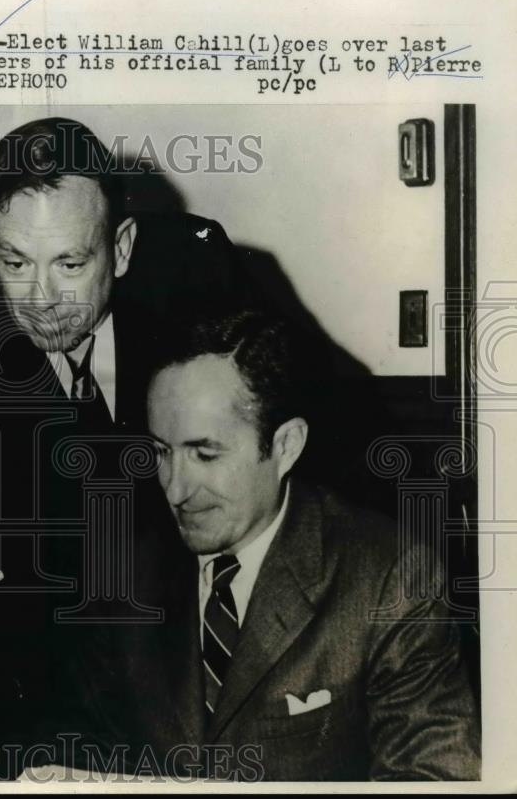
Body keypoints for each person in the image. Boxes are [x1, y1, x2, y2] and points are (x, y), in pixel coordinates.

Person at [0, 117, 255, 772]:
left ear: (120, 247)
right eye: (14, 261)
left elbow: (296, 453)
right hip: (38, 641)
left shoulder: (200, 287)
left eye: (70, 263)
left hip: (188, 625)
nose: (40, 299)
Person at [57, 310, 480, 780]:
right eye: (160, 452)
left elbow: (434, 778)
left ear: (285, 446)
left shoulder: (390, 578)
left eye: (204, 453)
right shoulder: (127, 573)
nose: (175, 489)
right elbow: (86, 753)